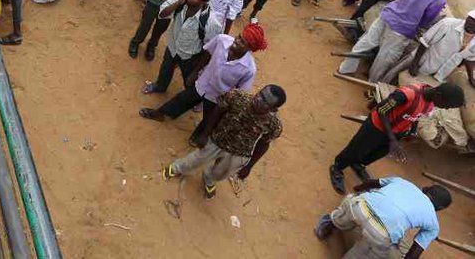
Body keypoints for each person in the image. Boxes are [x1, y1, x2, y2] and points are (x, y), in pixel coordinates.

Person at [328, 83, 464, 194]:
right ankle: (338, 167)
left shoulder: (432, 102)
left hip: (395, 132)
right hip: (377, 127)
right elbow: (381, 109)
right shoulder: (407, 94)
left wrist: (410, 130)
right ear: (439, 95)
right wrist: (392, 138)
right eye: (447, 105)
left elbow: (417, 116)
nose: (445, 108)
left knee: (378, 153)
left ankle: (358, 164)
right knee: (357, 148)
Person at [139, 25, 267, 142]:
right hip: (203, 83)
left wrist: (226, 105)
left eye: (242, 42)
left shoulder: (249, 69)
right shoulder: (222, 40)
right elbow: (207, 54)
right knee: (181, 100)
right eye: (239, 37)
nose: (237, 41)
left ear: (249, 48)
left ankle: (198, 137)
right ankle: (161, 114)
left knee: (209, 119)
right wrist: (195, 73)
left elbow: (240, 92)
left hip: (218, 97)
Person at [340, 0, 464, 83]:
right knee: (385, 58)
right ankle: (373, 82)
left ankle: (346, 69)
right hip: (402, 29)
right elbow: (426, 21)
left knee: (366, 42)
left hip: (388, 15)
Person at [162, 85, 285, 200]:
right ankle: (177, 168)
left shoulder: (273, 125)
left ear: (273, 109)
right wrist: (205, 134)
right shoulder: (237, 97)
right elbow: (217, 111)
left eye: (265, 101)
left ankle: (209, 179)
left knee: (222, 173)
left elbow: (264, 144)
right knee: (197, 159)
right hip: (217, 140)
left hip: (239, 152)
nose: (258, 99)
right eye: (260, 94)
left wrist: (249, 166)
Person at [316, 177, 451, 258]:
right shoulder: (433, 223)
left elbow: (371, 182)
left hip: (358, 207)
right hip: (380, 234)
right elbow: (414, 253)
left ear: (424, 189)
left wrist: (357, 189)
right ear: (438, 209)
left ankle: (328, 225)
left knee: (351, 204)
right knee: (367, 253)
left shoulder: (403, 182)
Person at [142, 0, 222, 94]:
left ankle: (191, 97)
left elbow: (210, 49)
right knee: (166, 68)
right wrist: (179, 2)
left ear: (203, 3)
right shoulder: (181, 1)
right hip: (173, 46)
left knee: (189, 80)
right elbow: (162, 14)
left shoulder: (211, 23)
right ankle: (160, 86)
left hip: (190, 56)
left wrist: (196, 71)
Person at [408, 11, 475, 85]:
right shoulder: (448, 24)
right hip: (420, 65)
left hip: (439, 76)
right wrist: (415, 63)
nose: (471, 23)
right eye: (470, 18)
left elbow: (470, 59)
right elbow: (425, 41)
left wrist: (471, 78)